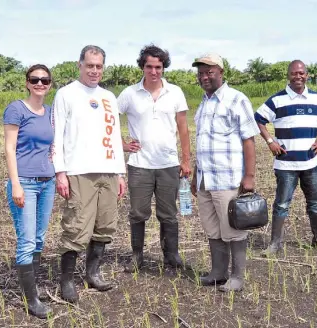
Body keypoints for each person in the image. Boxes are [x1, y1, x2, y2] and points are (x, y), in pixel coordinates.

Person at [52, 45, 126, 303]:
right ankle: (67, 281)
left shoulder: (109, 97)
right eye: (90, 65)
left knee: (105, 225)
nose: (94, 70)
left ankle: (92, 273)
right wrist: (60, 172)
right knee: (76, 227)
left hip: (108, 170)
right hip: (78, 171)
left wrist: (120, 173)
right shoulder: (66, 94)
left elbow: (114, 136)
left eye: (99, 66)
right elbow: (57, 135)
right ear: (79, 65)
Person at [117, 44, 191, 273]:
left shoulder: (175, 92)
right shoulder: (129, 94)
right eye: (149, 66)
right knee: (138, 212)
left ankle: (171, 255)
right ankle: (137, 256)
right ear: (142, 67)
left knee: (168, 213)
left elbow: (183, 128)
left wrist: (186, 160)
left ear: (164, 68)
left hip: (168, 164)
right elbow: (106, 122)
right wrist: (123, 144)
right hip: (139, 165)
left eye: (158, 67)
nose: (154, 71)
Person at [254, 60, 317, 256]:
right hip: (286, 164)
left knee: (316, 202)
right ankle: (275, 243)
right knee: (282, 204)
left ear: (306, 75)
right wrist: (270, 141)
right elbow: (258, 119)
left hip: (312, 162)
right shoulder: (277, 100)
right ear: (288, 75)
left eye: (301, 73)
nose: (298, 76)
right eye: (294, 73)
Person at [190, 53, 260, 292]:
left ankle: (237, 277)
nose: (204, 77)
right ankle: (218, 273)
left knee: (233, 229)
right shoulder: (204, 102)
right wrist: (195, 175)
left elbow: (248, 140)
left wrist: (249, 176)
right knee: (213, 228)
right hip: (205, 179)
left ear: (221, 72)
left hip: (227, 178)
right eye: (201, 73)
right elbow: (202, 143)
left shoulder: (235, 99)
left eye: (209, 72)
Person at [4, 64, 55, 318]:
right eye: (35, 79)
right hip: (25, 181)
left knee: (39, 238)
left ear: (49, 84)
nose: (39, 84)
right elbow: (9, 147)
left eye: (44, 80)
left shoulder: (51, 112)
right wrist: (16, 183)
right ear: (27, 82)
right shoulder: (16, 109)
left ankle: (34, 288)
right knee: (26, 241)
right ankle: (31, 299)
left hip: (48, 181)